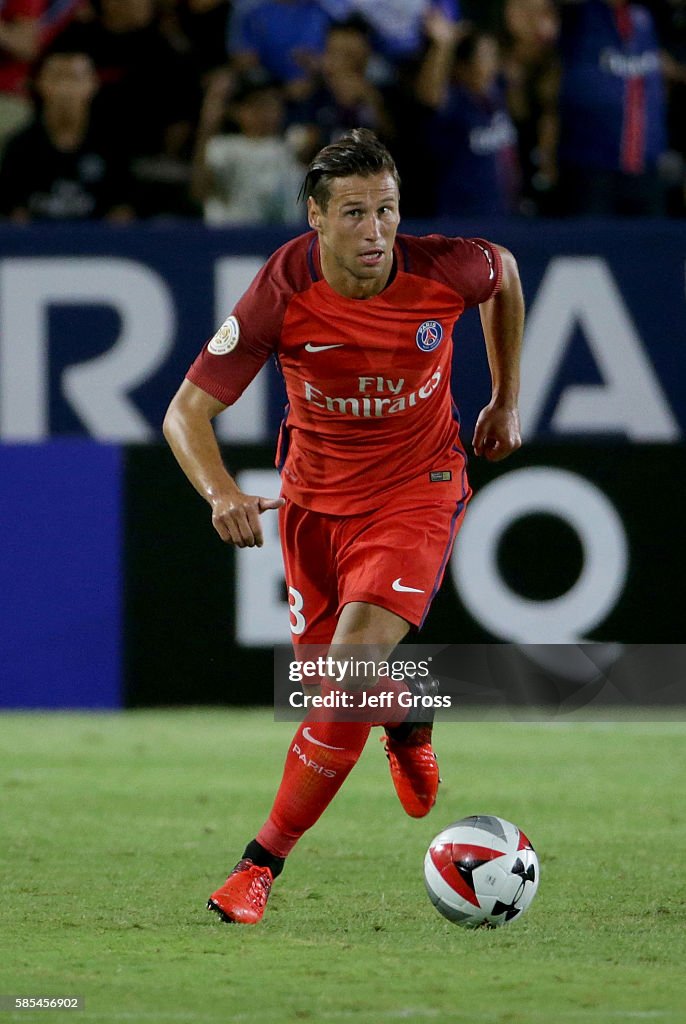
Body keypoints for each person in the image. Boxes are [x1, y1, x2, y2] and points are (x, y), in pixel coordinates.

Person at [163, 128, 524, 925]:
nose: (375, 231)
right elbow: (186, 414)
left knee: (351, 667)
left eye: (388, 210)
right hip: (314, 508)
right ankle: (406, 715)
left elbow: (506, 272)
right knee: (334, 688)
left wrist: (504, 398)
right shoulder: (281, 288)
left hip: (416, 491)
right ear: (316, 218)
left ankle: (257, 868)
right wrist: (220, 491)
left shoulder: (443, 268)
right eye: (355, 213)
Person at [0, 48, 133, 221]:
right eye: (57, 78)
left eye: (75, 78)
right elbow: (13, 212)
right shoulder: (20, 147)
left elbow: (123, 211)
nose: (66, 88)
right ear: (39, 83)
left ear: (93, 84)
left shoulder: (113, 145)